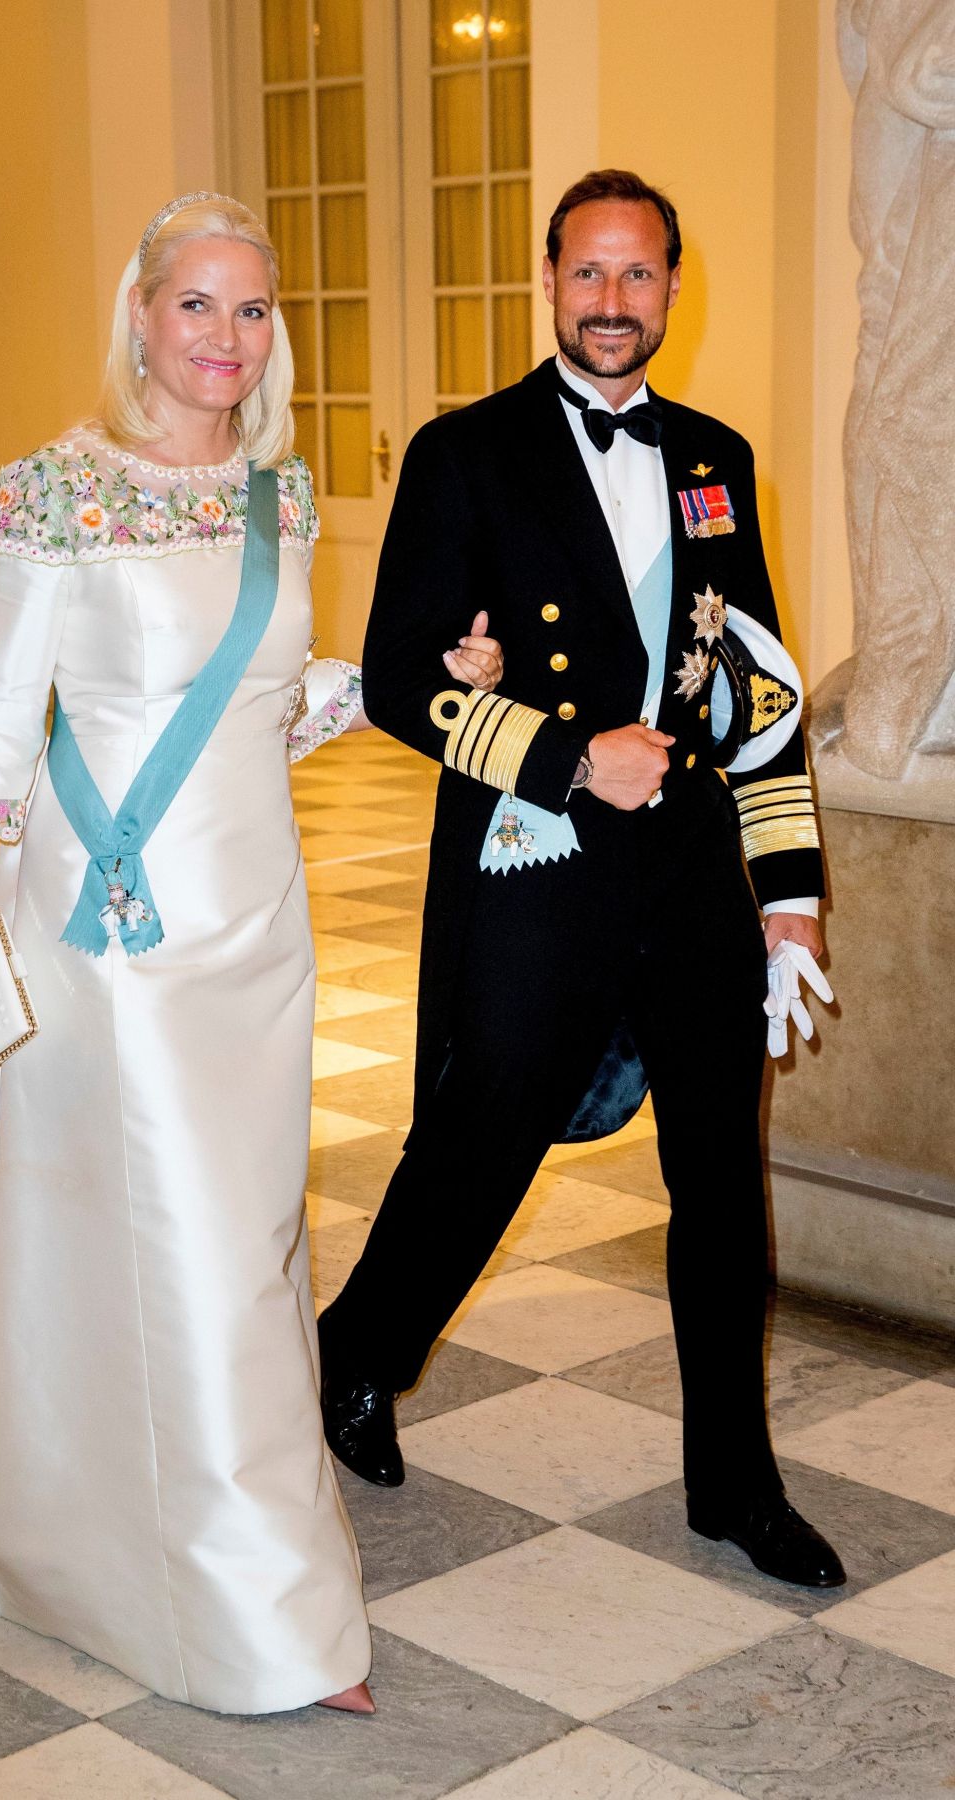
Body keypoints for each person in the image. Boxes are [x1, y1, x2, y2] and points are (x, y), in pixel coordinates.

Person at [0, 193, 504, 1715]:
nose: (226, 335)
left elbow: (265, 702)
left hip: (257, 923)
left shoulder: (281, 495)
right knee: (201, 1250)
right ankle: (257, 1608)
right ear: (139, 314)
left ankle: (89, 1493)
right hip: (111, 932)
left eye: (251, 308)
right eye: (196, 303)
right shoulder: (50, 492)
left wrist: (407, 677)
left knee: (248, 1233)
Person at [319, 169, 847, 1591]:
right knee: (479, 1140)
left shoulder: (717, 456)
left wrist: (789, 890)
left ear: (673, 286)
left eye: (640, 274)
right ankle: (356, 1350)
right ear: (549, 281)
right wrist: (564, 757)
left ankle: (734, 1483)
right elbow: (392, 680)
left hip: (691, 877)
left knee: (721, 1179)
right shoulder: (465, 452)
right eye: (589, 273)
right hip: (538, 863)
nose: (613, 301)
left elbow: (763, 692)